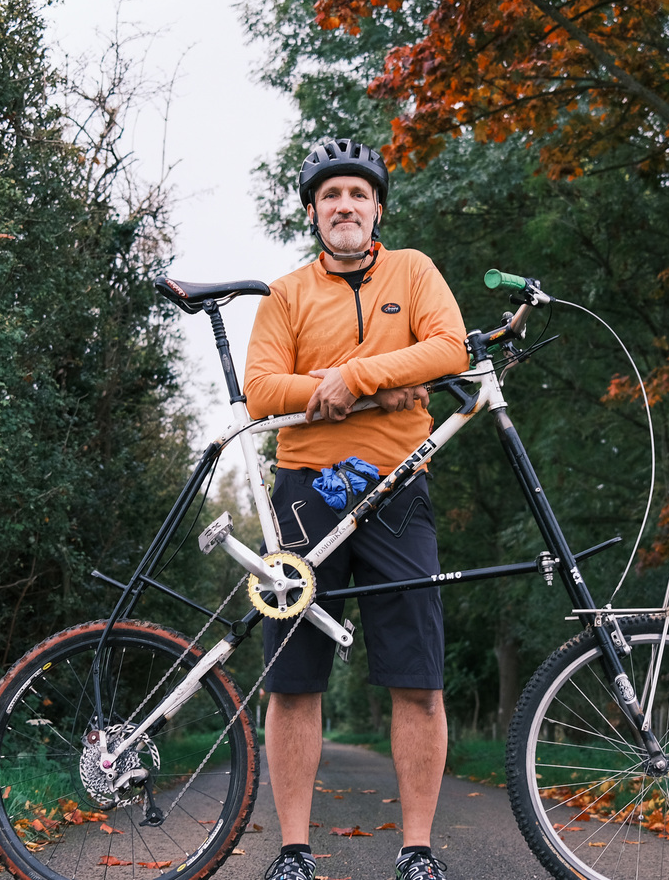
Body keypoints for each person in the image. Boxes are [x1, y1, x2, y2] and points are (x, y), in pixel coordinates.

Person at [243, 139, 468, 880]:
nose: (345, 205)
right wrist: (354, 388)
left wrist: (359, 376)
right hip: (304, 492)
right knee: (292, 679)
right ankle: (293, 853)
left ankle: (418, 852)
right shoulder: (285, 294)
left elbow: (451, 348)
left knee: (419, 679)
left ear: (377, 211)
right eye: (331, 195)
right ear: (313, 213)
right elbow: (261, 391)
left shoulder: (415, 270)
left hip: (399, 487)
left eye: (358, 194)